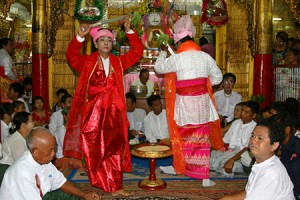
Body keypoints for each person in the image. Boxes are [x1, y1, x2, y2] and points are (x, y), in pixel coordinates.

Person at [64, 17, 144, 196]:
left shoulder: (119, 62)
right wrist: (79, 37)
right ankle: (102, 181)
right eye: (102, 40)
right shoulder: (87, 61)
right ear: (96, 43)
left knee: (115, 147)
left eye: (109, 40)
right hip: (93, 112)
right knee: (95, 149)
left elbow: (138, 52)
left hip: (114, 111)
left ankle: (116, 185)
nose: (106, 43)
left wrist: (130, 31)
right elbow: (71, 56)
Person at [154, 15, 224, 187]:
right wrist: (203, 83)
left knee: (183, 137)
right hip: (202, 103)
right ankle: (204, 176)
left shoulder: (177, 58)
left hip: (185, 104)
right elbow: (218, 78)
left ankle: (180, 166)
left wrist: (163, 51)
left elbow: (159, 68)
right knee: (202, 138)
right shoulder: (205, 57)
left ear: (178, 43)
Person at [0, 127, 100, 199]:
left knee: (75, 189)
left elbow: (61, 182)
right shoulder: (22, 172)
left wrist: (84, 195)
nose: (54, 153)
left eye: (54, 148)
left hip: (43, 194)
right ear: (35, 151)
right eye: (50, 150)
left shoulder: (44, 161)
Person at [220, 118, 295, 200]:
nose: (253, 141)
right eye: (252, 136)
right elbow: (248, 193)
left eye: (260, 138)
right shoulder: (262, 162)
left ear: (274, 145)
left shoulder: (271, 174)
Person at [210, 101, 259, 177]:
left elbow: (247, 148)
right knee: (209, 158)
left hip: (242, 157)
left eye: (246, 112)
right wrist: (210, 149)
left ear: (254, 115)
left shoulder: (255, 128)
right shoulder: (236, 123)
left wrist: (232, 160)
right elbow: (225, 140)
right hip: (230, 152)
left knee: (230, 167)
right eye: (242, 110)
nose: (242, 114)